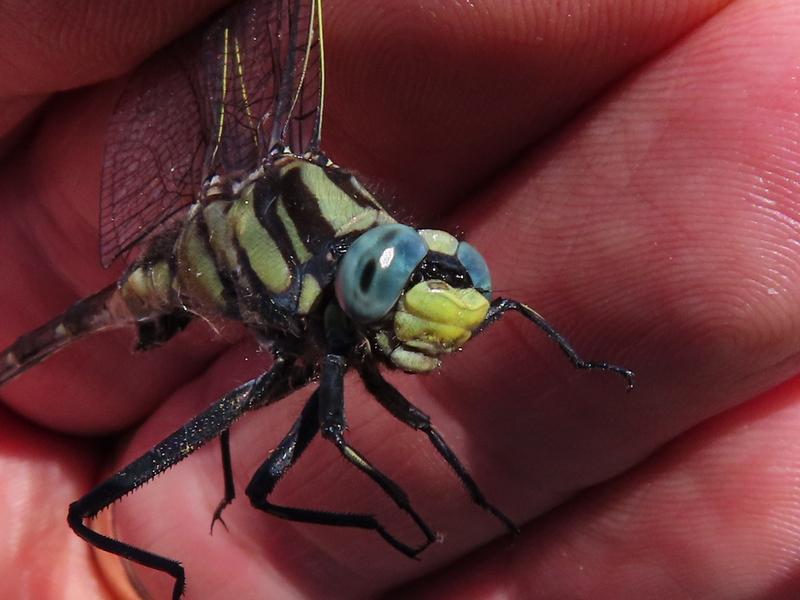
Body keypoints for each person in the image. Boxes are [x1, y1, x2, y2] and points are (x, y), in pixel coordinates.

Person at [1, 0, 799, 597]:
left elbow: (398, 396)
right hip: (170, 269)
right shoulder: (329, 312)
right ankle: (167, 574)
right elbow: (338, 436)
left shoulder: (356, 302)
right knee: (111, 511)